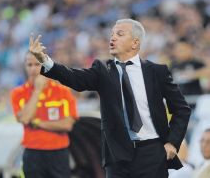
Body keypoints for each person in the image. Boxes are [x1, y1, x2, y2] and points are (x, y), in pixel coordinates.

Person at [29, 19, 191, 178]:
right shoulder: (102, 70)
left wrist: (172, 143)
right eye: (112, 34)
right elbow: (75, 78)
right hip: (117, 156)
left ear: (135, 43)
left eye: (120, 34)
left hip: (152, 152)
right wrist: (45, 60)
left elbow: (181, 109)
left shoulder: (157, 71)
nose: (113, 37)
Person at [10, 52, 78, 178]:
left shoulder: (63, 92)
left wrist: (36, 123)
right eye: (29, 65)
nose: (33, 69)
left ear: (45, 66)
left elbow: (67, 125)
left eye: (37, 64)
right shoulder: (18, 93)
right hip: (33, 152)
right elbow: (25, 119)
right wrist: (37, 90)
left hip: (58, 152)